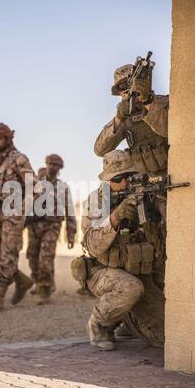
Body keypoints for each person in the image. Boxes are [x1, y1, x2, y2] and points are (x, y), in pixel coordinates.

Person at [78, 150, 165, 351]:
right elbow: (93, 245)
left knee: (164, 336)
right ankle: (99, 324)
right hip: (103, 270)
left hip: (139, 270)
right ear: (107, 181)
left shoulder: (142, 196)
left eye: (129, 177)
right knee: (130, 289)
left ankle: (127, 320)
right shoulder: (96, 201)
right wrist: (116, 217)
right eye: (118, 179)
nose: (125, 183)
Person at [0, 123, 35, 312]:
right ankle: (21, 279)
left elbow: (33, 186)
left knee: (9, 252)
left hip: (12, 213)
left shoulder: (19, 159)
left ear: (8, 139)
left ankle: (0, 292)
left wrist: (22, 208)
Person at [94, 64, 169, 182]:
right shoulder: (125, 117)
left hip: (174, 176)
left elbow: (168, 130)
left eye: (130, 84)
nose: (127, 90)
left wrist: (147, 101)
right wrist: (118, 118)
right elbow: (100, 150)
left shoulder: (165, 103)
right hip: (145, 183)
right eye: (122, 87)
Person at [27, 154, 77, 304]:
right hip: (34, 226)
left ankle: (46, 289)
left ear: (60, 168)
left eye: (55, 165)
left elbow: (69, 211)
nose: (51, 167)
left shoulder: (63, 187)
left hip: (52, 226)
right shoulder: (36, 184)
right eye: (49, 164)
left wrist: (71, 234)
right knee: (32, 257)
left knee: (46, 256)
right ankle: (38, 281)